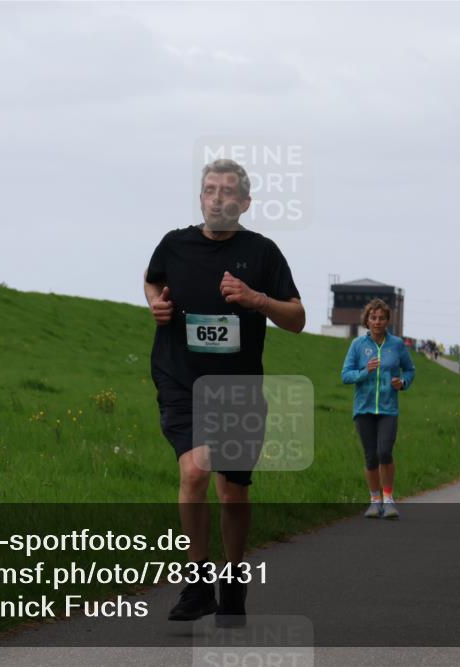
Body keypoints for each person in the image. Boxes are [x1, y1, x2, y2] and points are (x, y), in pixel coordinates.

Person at [144, 158, 305, 627]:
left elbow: (296, 318)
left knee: (232, 491)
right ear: (200, 198)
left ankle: (233, 582)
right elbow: (153, 278)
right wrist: (155, 303)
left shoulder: (263, 253)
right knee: (194, 471)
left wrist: (257, 300)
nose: (218, 198)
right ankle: (197, 582)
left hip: (238, 388)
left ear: (245, 202)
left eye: (228, 192)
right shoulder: (174, 245)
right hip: (180, 378)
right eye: (211, 190)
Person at [342, 299, 415, 519]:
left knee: (385, 452)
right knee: (370, 457)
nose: (377, 322)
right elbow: (345, 375)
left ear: (387, 320)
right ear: (367, 319)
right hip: (363, 409)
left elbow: (410, 370)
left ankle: (389, 500)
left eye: (382, 318)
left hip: (388, 409)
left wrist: (402, 383)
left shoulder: (397, 345)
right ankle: (374, 501)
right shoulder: (357, 345)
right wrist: (365, 371)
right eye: (373, 318)